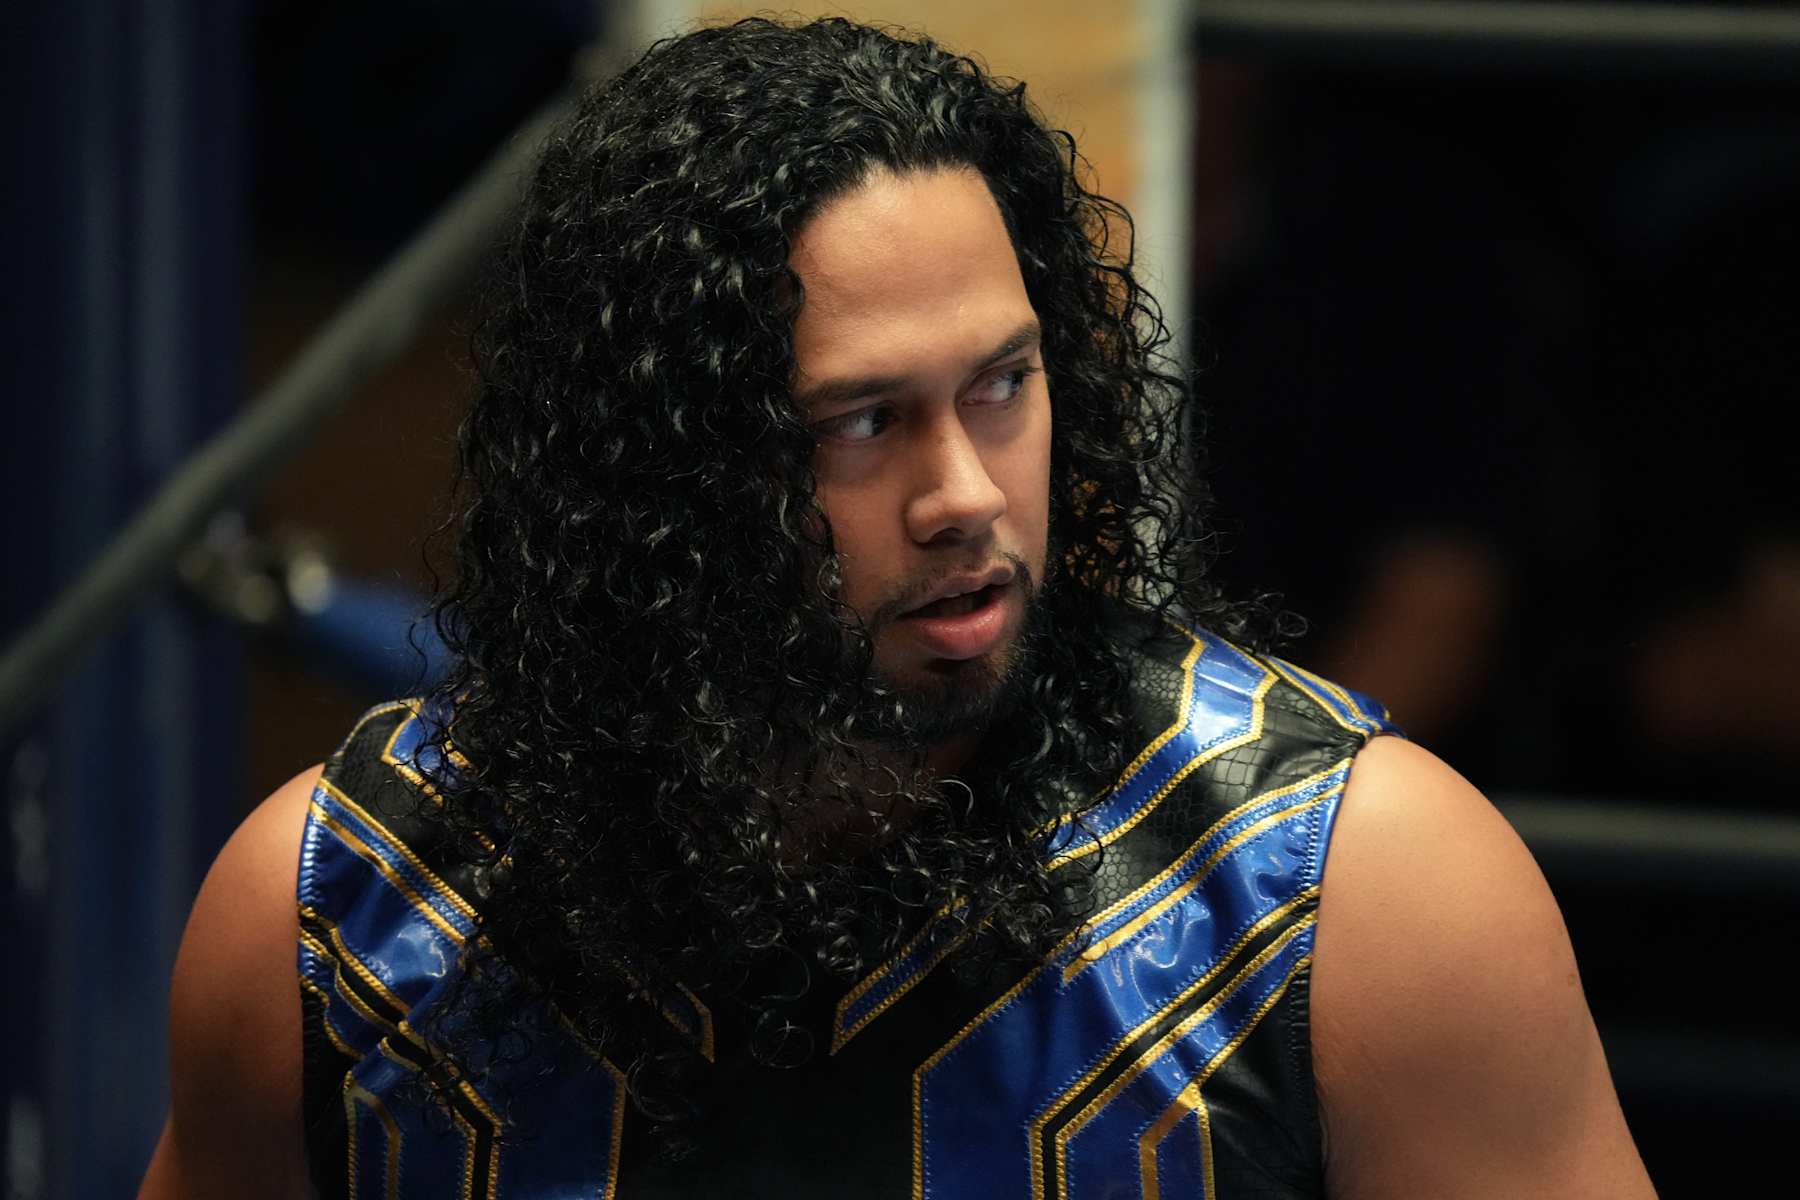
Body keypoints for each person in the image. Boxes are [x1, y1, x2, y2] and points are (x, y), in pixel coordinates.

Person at [140, 17, 1654, 1199]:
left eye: (1003, 386)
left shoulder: (1358, 901)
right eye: (859, 424)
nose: (965, 496)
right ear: (659, 474)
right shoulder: (343, 914)